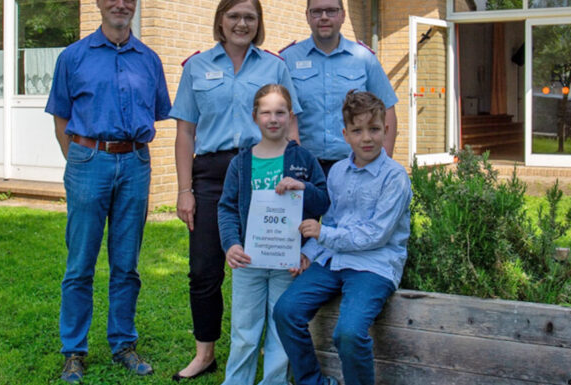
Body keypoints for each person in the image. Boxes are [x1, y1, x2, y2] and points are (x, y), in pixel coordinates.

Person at [170, 0, 302, 380]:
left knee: (267, 263)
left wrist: (292, 178)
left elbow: (290, 125)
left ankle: (268, 349)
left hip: (263, 172)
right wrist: (184, 189)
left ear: (258, 23)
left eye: (249, 17)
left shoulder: (275, 66)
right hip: (211, 175)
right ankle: (205, 353)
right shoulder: (197, 66)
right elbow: (185, 132)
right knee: (204, 269)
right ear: (220, 20)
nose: (241, 23)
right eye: (234, 16)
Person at [45, 0, 171, 383]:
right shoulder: (73, 57)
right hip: (88, 161)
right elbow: (61, 117)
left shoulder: (149, 60)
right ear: (99, 3)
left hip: (135, 163)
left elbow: (158, 111)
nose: (121, 4)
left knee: (126, 263)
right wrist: (80, 161)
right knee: (80, 263)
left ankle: (123, 344)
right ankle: (73, 351)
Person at [273, 90, 412, 385]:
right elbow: (333, 220)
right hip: (333, 260)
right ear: (345, 134)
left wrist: (323, 233)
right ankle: (313, 382)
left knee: (348, 333)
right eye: (357, 131)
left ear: (386, 129)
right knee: (285, 311)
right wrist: (309, 252)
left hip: (374, 265)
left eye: (374, 129)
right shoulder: (337, 172)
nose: (367, 138)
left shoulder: (395, 177)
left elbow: (376, 235)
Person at [217, 84, 329, 385]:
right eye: (266, 112)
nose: (273, 119)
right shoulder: (241, 163)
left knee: (280, 330)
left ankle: (275, 381)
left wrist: (303, 188)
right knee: (244, 330)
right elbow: (227, 208)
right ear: (255, 116)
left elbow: (323, 201)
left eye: (280, 112)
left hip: (286, 261)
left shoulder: (304, 160)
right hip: (248, 260)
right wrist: (231, 244)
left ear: (290, 116)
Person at [280, 0, 399, 175]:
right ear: (307, 16)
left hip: (355, 166)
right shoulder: (288, 59)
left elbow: (387, 108)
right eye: (316, 12)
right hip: (304, 167)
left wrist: (383, 165)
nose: (324, 17)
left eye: (331, 11)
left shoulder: (364, 59)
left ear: (343, 15)